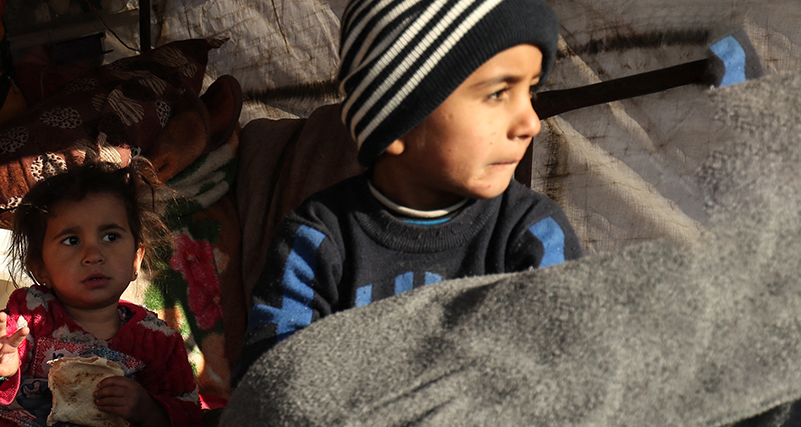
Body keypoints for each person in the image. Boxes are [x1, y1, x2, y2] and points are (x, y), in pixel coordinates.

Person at [235, 0, 584, 382]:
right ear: (397, 120)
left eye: (530, 91)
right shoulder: (316, 241)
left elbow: (567, 381)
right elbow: (269, 387)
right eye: (498, 93)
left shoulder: (534, 234)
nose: (531, 122)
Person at [0, 162, 202, 427]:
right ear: (40, 268)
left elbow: (187, 415)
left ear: (136, 259)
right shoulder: (30, 314)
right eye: (72, 241)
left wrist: (145, 408)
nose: (93, 255)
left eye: (110, 237)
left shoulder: (158, 341)